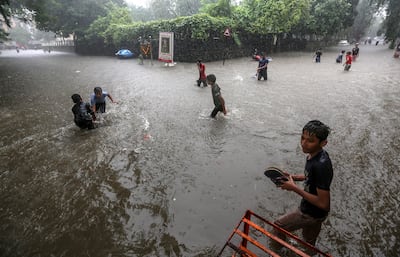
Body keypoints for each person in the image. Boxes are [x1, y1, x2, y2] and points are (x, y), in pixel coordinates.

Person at [272, 120, 333, 247]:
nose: (303, 144)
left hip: (310, 213)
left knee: (278, 226)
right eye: (302, 138)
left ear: (323, 143)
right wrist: (293, 177)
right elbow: (310, 177)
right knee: (308, 243)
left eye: (310, 141)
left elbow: (324, 204)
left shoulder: (321, 165)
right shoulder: (315, 155)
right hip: (318, 215)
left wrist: (294, 188)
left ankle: (280, 252)